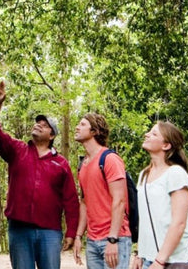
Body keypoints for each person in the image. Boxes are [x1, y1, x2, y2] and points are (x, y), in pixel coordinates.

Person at [0, 81, 80, 269]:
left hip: (50, 232)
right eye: (38, 123)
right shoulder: (18, 150)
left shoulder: (61, 164)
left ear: (52, 135)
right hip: (19, 230)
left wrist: (71, 233)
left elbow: (71, 201)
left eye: (45, 125)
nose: (39, 125)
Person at [133, 121, 188, 269]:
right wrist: (140, 253)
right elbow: (145, 220)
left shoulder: (175, 174)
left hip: (177, 260)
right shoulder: (143, 175)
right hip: (149, 260)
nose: (147, 135)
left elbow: (179, 223)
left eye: (154, 133)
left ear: (166, 145)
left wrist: (160, 261)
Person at [72, 113, 132, 269]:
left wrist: (112, 239)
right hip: (92, 242)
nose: (77, 127)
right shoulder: (83, 165)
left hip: (114, 238)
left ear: (94, 131)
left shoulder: (110, 159)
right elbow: (85, 203)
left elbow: (120, 201)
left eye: (83, 124)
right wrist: (78, 236)